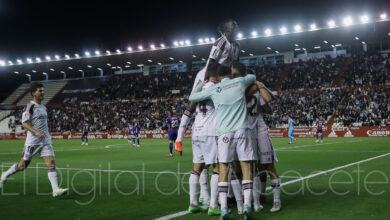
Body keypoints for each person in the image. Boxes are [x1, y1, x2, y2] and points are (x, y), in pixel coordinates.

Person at [189, 65, 257, 220]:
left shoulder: (215, 88)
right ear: (231, 73)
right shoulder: (240, 81)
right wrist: (236, 76)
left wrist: (202, 82)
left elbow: (192, 97)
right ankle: (247, 205)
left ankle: (224, 209)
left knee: (223, 168)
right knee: (246, 167)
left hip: (224, 133)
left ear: (218, 77)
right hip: (242, 130)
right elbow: (253, 77)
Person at [0, 83, 68, 197]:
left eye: (43, 90)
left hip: (45, 141)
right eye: (40, 91)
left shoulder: (43, 107)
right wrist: (36, 131)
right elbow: (24, 123)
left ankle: (55, 190)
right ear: (33, 93)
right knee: (22, 167)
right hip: (33, 142)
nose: (42, 92)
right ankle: (5, 174)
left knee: (51, 164)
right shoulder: (29, 107)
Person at [244, 67, 281, 213]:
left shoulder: (257, 91)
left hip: (260, 130)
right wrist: (255, 87)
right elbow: (245, 96)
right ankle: (257, 198)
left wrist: (261, 87)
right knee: (252, 168)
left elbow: (268, 101)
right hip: (247, 132)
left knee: (268, 166)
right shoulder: (240, 91)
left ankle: (277, 201)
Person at [188, 69, 220, 216]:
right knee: (218, 166)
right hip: (210, 131)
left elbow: (191, 99)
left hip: (196, 131)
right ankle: (213, 205)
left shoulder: (199, 88)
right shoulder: (217, 87)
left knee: (197, 167)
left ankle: (193, 203)